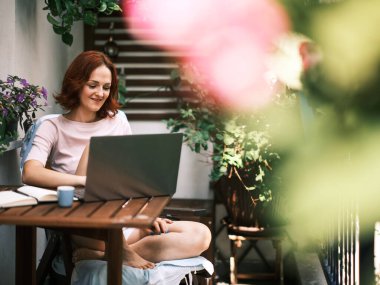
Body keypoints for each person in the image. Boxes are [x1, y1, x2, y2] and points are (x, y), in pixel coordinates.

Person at [22, 50, 211, 271]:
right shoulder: (51, 126)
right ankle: (118, 251)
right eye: (92, 85)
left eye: (106, 87)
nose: (100, 93)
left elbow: (130, 175)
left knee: (201, 235)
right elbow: (30, 172)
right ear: (76, 83)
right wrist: (84, 181)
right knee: (96, 147)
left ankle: (105, 256)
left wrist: (146, 214)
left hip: (124, 220)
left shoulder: (117, 120)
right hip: (87, 226)